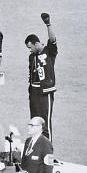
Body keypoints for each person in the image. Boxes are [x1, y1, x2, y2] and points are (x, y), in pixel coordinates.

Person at [24, 13, 57, 143]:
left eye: (30, 47)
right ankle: (36, 149)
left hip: (45, 93)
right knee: (34, 122)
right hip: (34, 93)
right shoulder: (31, 57)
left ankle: (48, 152)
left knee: (45, 123)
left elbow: (53, 39)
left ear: (37, 43)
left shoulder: (49, 51)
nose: (30, 50)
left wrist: (48, 24)